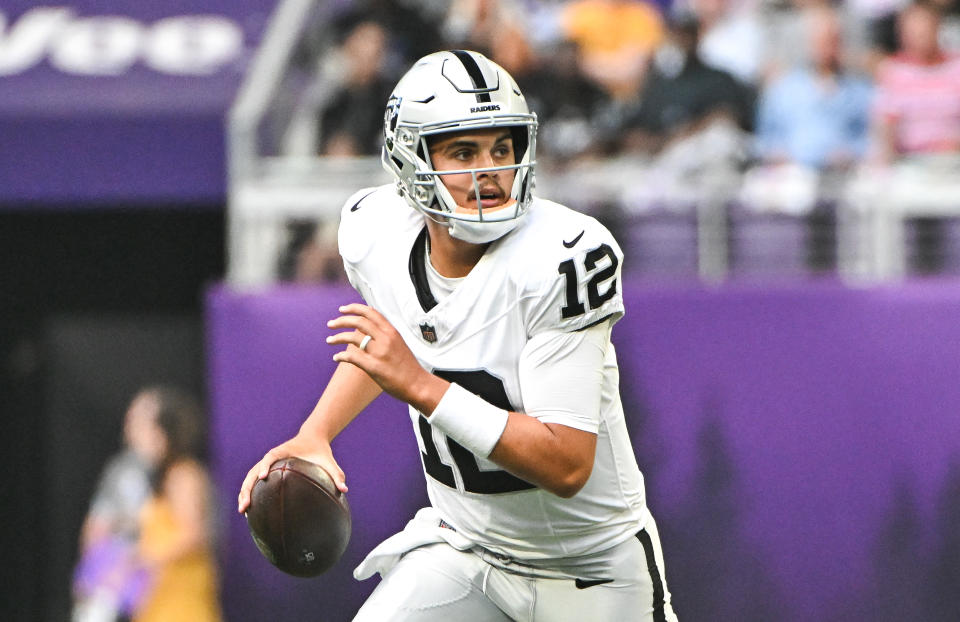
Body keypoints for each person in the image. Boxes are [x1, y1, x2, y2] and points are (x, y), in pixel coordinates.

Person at [238, 50, 678, 621]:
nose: (490, 169)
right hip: (468, 550)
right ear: (411, 161)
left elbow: (567, 463)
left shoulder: (560, 258)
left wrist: (422, 387)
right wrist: (315, 433)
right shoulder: (377, 232)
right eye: (463, 151)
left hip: (589, 571)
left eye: (502, 147)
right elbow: (390, 340)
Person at [72, 389, 164, 622]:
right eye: (132, 419)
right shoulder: (123, 470)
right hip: (117, 577)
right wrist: (91, 573)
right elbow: (97, 524)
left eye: (142, 419)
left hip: (162, 574)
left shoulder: (180, 473)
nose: (131, 426)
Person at [132, 387, 222, 622]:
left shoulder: (184, 475)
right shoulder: (161, 479)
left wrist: (145, 557)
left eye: (142, 427)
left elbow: (194, 533)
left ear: (163, 433)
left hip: (183, 600)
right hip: (159, 597)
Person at [755, 6, 873, 170]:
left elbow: (872, 138)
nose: (826, 47)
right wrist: (777, 153)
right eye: (820, 40)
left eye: (832, 40)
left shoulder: (859, 91)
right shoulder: (783, 89)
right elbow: (764, 138)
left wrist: (852, 152)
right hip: (793, 175)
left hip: (843, 173)